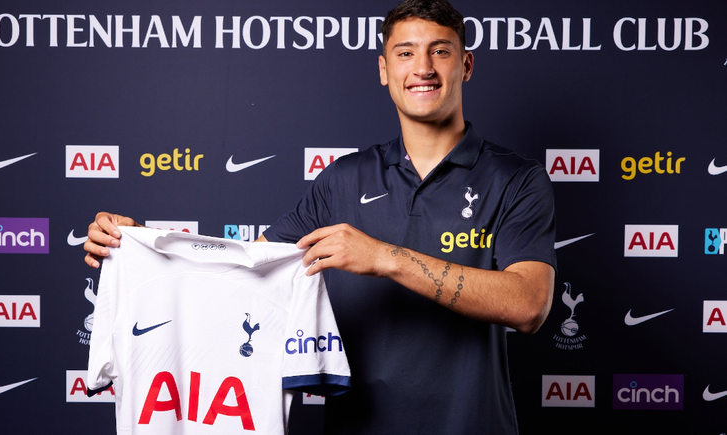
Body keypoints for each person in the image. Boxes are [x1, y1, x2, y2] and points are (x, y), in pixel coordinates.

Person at [84, 0, 556, 433]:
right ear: (384, 69)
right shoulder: (344, 180)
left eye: (440, 51)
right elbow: (242, 271)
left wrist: (384, 257)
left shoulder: (516, 178)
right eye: (406, 53)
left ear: (466, 65)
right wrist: (139, 247)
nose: (423, 68)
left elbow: (529, 305)